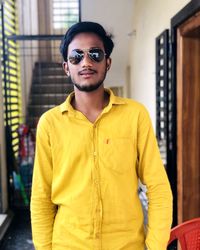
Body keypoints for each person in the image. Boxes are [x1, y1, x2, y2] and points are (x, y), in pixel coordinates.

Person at [31, 21, 173, 250]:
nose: (86, 62)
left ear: (107, 62)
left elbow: (158, 188)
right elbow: (41, 198)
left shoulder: (135, 115)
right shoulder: (50, 123)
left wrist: (156, 246)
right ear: (66, 66)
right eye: (76, 56)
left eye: (95, 54)